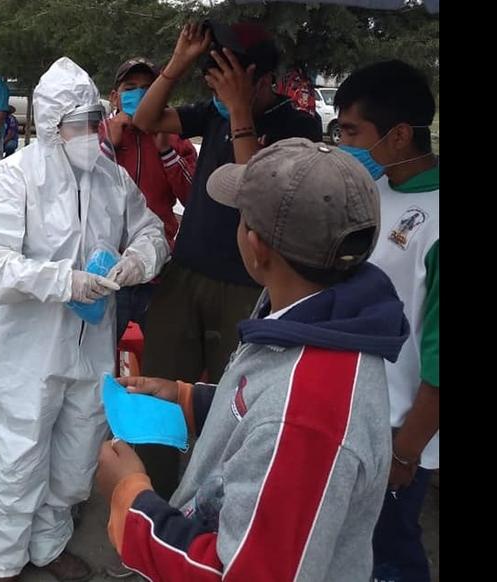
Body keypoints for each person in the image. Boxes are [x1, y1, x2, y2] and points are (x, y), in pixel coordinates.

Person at [96, 138, 409, 582]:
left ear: (256, 246)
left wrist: (130, 498)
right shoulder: (315, 312)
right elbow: (268, 403)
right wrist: (192, 399)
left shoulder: (304, 418)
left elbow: (239, 572)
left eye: (240, 217)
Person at [0, 56, 169, 581]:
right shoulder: (13, 179)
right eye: (77, 124)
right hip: (30, 353)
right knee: (19, 461)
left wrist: (136, 261)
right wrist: (64, 280)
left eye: (93, 122)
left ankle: (48, 544)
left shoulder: (110, 179)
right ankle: (1, 562)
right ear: (52, 124)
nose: (89, 134)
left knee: (79, 456)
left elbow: (152, 231)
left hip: (92, 347)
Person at [130, 20, 322, 500]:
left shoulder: (298, 125)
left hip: (248, 286)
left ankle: (216, 511)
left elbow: (253, 190)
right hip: (187, 273)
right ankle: (150, 503)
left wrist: (240, 112)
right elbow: (145, 120)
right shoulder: (211, 114)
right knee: (158, 388)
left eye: (227, 81)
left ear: (261, 80)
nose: (215, 92)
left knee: (235, 404)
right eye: (211, 81)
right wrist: (177, 64)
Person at [335, 59, 439, 582]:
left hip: (400, 431)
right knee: (352, 548)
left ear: (399, 135)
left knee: (391, 554)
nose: (343, 142)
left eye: (352, 131)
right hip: (355, 411)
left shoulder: (437, 219)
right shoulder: (373, 192)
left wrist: (406, 452)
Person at [103, 57, 197, 341]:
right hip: (107, 270)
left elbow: (194, 197)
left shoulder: (175, 139)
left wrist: (167, 152)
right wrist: (109, 147)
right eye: (131, 87)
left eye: (149, 88)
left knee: (162, 362)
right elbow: (80, 191)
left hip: (159, 272)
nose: (140, 94)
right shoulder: (98, 136)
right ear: (115, 96)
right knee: (99, 361)